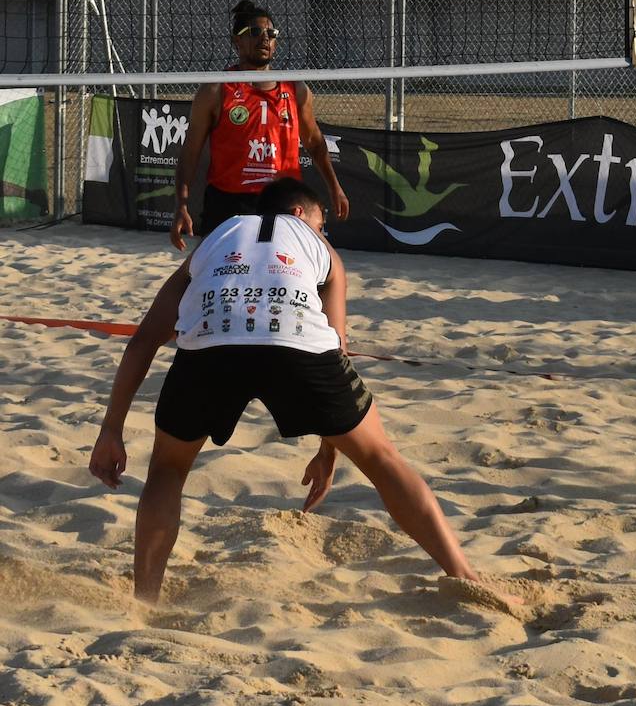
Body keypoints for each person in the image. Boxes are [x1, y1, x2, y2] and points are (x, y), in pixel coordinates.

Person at [89, 177, 503, 604]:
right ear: (301, 215)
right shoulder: (320, 248)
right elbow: (337, 347)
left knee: (167, 472)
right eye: (323, 225)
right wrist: (329, 450)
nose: (323, 234)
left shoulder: (217, 238)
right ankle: (464, 574)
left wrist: (111, 430)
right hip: (297, 345)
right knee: (382, 459)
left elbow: (143, 341)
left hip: (211, 346)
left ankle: (144, 600)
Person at [171, 0, 349, 250]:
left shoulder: (296, 89)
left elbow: (316, 144)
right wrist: (181, 204)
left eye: (271, 33)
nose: (265, 38)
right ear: (237, 40)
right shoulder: (215, 90)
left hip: (283, 202)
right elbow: (190, 153)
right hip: (230, 202)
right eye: (255, 32)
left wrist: (335, 188)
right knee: (212, 276)